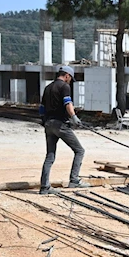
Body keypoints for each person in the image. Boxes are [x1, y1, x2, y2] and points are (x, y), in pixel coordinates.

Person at [38, 66, 90, 194]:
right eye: (70, 78)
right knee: (79, 150)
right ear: (67, 75)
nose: (70, 81)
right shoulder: (64, 87)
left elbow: (41, 108)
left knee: (50, 156)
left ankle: (44, 187)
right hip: (60, 124)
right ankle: (74, 180)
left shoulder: (48, 87)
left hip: (48, 124)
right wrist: (74, 117)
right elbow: (68, 103)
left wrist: (44, 121)